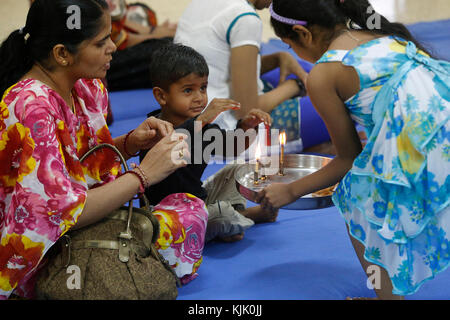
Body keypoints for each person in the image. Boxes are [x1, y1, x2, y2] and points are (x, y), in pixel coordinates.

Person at [257, 0, 450, 299]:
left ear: (302, 34)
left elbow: (347, 159)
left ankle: (386, 296)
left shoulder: (324, 73)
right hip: (442, 130)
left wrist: (291, 190)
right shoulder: (387, 35)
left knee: (356, 197)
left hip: (431, 151)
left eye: (289, 45)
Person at [0, 0, 191, 299]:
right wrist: (144, 174)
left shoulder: (87, 85)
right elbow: (58, 214)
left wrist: (130, 143)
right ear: (62, 54)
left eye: (111, 36)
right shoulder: (29, 107)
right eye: (102, 41)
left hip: (87, 214)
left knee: (189, 208)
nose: (114, 47)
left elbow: (77, 164)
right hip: (45, 245)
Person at [140, 43, 278, 243]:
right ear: (162, 96)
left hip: (199, 200)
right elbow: (176, 145)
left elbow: (232, 148)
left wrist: (247, 126)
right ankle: (241, 218)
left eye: (203, 88)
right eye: (188, 90)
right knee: (221, 217)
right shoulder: (155, 129)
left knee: (239, 169)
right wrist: (201, 121)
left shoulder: (204, 127)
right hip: (169, 215)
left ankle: (232, 218)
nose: (199, 98)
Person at [174, 0, 323, 151]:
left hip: (190, 115)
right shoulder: (245, 17)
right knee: (332, 101)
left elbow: (220, 67)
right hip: (224, 131)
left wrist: (277, 59)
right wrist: (295, 86)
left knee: (303, 68)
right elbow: (247, 111)